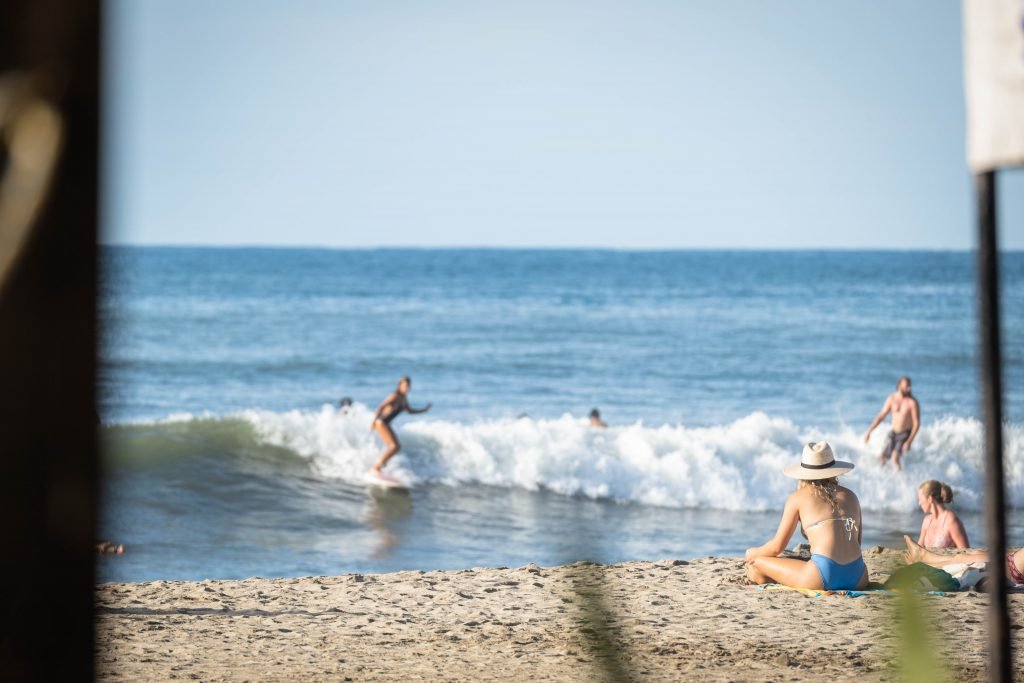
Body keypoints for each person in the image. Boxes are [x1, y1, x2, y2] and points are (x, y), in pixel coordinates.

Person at [745, 442, 868, 591]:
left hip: (823, 575)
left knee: (755, 565)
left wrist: (753, 553)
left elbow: (777, 547)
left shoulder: (797, 498)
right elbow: (856, 542)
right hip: (859, 576)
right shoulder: (851, 496)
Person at [902, 536, 1024, 586]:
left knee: (961, 559)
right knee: (974, 554)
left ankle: (923, 561)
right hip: (1013, 562)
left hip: (1012, 568)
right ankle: (924, 557)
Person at [370, 376, 431, 475]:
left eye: (409, 386)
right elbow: (381, 406)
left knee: (397, 447)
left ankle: (381, 467)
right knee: (393, 446)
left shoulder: (403, 398)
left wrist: (424, 410)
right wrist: (373, 422)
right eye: (405, 385)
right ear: (400, 386)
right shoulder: (395, 396)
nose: (408, 388)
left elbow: (410, 411)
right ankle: (376, 468)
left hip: (386, 423)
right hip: (381, 422)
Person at [864, 375, 920, 471]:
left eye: (910, 386)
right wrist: (869, 431)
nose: (909, 388)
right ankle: (881, 478)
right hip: (893, 432)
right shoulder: (892, 399)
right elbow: (881, 416)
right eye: (907, 385)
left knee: (895, 457)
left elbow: (916, 423)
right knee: (882, 457)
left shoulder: (912, 402)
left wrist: (909, 441)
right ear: (899, 385)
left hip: (905, 434)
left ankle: (900, 479)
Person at [916, 480, 969, 549]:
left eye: (920, 499)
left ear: (930, 499)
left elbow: (966, 553)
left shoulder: (951, 520)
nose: (919, 503)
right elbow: (918, 550)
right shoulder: (927, 521)